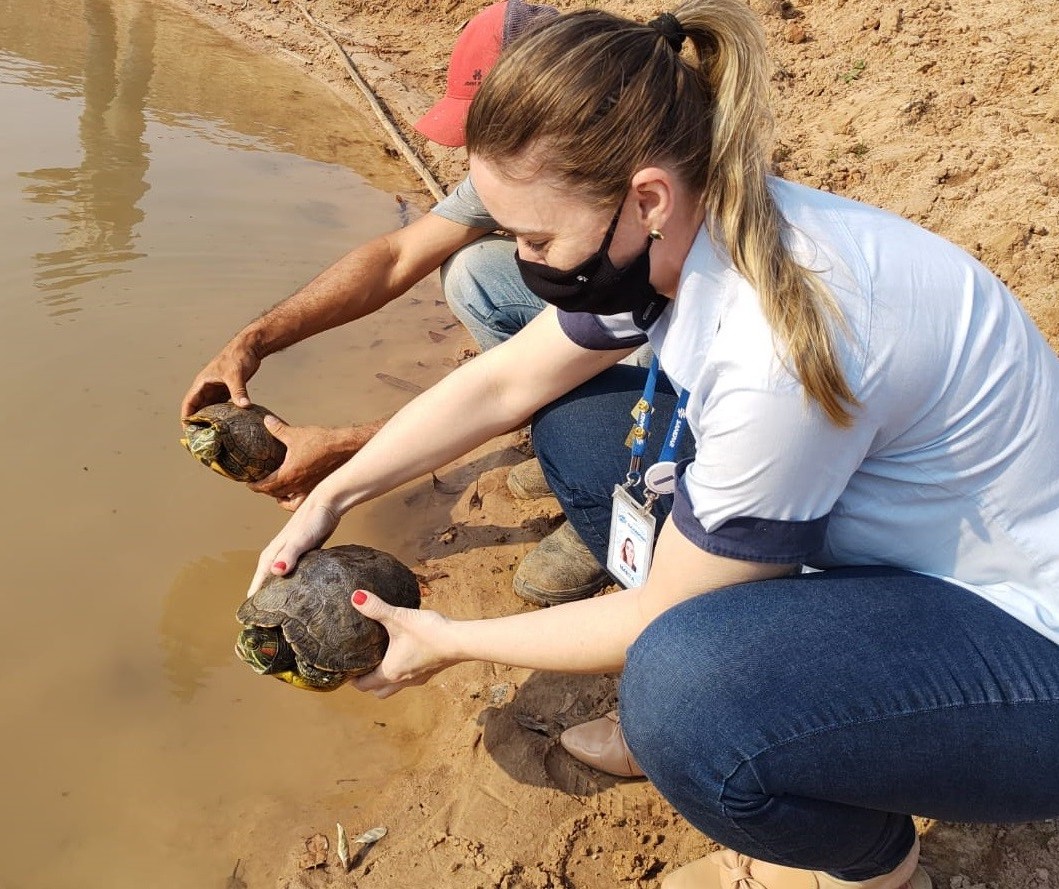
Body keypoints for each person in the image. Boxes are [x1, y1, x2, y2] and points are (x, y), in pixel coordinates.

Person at [244, 2, 1059, 888]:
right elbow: (506, 381)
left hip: (1020, 643)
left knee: (680, 692)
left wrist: (445, 637)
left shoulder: (778, 344)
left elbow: (653, 619)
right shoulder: (689, 231)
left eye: (535, 236)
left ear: (646, 199)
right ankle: (780, 705)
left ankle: (857, 865)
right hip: (891, 555)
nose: (523, 260)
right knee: (585, 427)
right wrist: (332, 495)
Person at [179, 0, 617, 605]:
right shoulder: (545, 167)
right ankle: (567, 436)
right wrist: (251, 341)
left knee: (584, 419)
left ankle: (616, 490)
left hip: (680, 386)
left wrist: (347, 450)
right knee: (475, 272)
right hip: (605, 325)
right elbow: (395, 257)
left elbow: (508, 388)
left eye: (493, 130)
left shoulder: (654, 242)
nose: (477, 154)